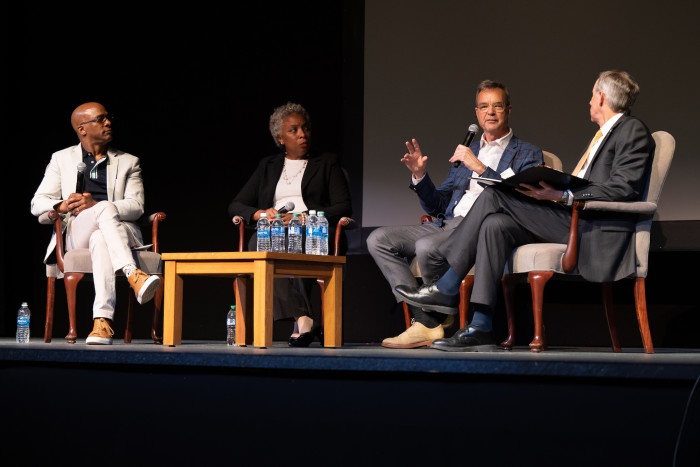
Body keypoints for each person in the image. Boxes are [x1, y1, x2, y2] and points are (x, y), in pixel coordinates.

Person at [396, 70, 655, 352]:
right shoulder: (603, 136)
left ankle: (447, 286)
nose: (589, 100)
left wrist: (563, 194)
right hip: (573, 218)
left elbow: (623, 188)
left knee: (495, 193)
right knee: (495, 224)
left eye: (592, 94)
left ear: (602, 97)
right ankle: (481, 325)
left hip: (593, 228)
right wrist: (555, 188)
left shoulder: (631, 129)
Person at [367, 80, 543, 349]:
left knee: (426, 247)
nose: (490, 112)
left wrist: (481, 168)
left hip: (480, 227)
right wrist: (420, 176)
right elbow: (439, 206)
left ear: (508, 110)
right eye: (484, 107)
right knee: (378, 239)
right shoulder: (466, 152)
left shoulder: (527, 153)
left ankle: (434, 316)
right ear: (476, 113)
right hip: (446, 224)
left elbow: (519, 201)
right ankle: (425, 320)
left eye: (497, 106)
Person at [31, 102, 161, 345]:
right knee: (103, 209)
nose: (108, 123)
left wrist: (100, 206)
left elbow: (136, 206)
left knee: (101, 232)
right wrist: (61, 206)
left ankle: (102, 322)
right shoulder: (61, 159)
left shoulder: (129, 162)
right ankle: (133, 274)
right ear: (82, 129)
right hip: (77, 229)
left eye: (108, 118)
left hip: (118, 231)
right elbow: (37, 203)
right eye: (101, 119)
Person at [228, 102, 351, 347]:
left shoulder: (327, 162)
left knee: (294, 240)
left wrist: (304, 217)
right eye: (294, 130)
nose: (302, 135)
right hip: (273, 231)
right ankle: (304, 317)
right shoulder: (268, 165)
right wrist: (261, 214)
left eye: (305, 129)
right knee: (261, 244)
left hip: (314, 230)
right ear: (280, 138)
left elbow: (343, 207)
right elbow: (237, 205)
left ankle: (304, 321)